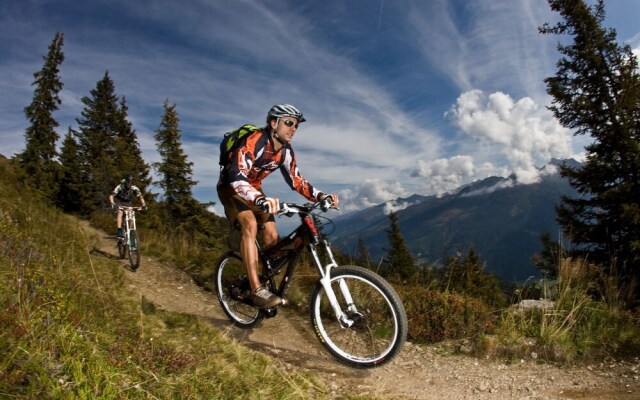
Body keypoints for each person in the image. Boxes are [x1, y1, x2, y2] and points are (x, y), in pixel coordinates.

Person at [217, 104, 339, 309]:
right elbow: (236, 176)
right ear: (273, 123)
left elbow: (297, 181)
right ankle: (257, 290)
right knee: (250, 224)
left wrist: (320, 196)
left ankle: (264, 280)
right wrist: (259, 199)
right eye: (289, 123)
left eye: (296, 125)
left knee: (272, 235)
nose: (293, 129)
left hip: (254, 190)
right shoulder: (254, 141)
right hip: (232, 188)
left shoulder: (285, 151)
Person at [108, 174, 147, 238]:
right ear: (126, 182)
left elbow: (140, 197)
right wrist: (112, 203)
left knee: (131, 215)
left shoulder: (134, 188)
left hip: (128, 202)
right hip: (119, 201)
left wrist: (143, 204)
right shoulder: (120, 186)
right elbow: (111, 196)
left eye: (131, 183)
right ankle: (119, 230)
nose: (130, 184)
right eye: (129, 182)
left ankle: (130, 231)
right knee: (120, 212)